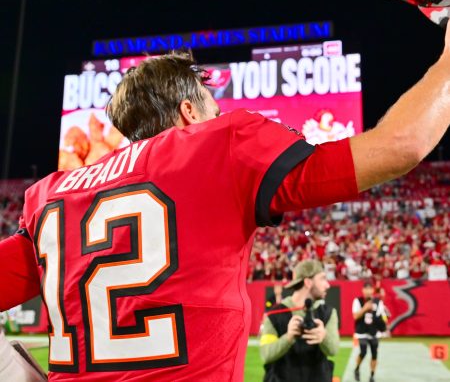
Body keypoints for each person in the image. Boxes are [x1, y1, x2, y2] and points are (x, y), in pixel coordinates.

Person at [0, 21, 449, 381]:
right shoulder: (217, 143)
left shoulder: (50, 193)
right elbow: (402, 146)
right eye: (214, 108)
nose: (220, 115)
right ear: (190, 114)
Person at [259, 260, 339, 382]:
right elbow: (266, 355)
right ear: (308, 282)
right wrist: (288, 337)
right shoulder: (274, 315)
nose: (327, 285)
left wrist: (324, 336)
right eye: (322, 279)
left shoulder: (328, 313)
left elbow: (333, 350)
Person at [352, 282, 388, 382]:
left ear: (372, 290)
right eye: (366, 289)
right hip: (362, 331)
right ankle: (357, 369)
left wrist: (384, 327)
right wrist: (365, 308)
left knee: (374, 354)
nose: (368, 291)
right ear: (363, 290)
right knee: (363, 352)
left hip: (374, 331)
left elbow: (382, 317)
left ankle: (372, 375)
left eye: (369, 289)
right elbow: (355, 316)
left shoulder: (378, 302)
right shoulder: (358, 301)